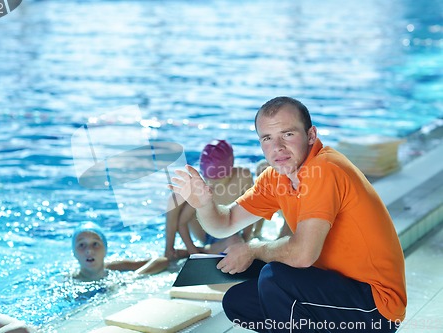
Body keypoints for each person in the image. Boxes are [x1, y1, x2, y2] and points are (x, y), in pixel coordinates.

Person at [169, 97, 406, 332]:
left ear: (311, 135)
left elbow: (302, 256)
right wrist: (204, 204)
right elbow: (225, 223)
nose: (277, 147)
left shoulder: (323, 169)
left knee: (275, 277)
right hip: (338, 294)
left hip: (377, 307)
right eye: (267, 138)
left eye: (288, 134)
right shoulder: (276, 178)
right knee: (239, 302)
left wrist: (253, 249)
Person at [164, 140, 258, 260]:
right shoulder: (203, 189)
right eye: (208, 178)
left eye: (217, 180)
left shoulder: (242, 177)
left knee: (237, 240)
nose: (212, 183)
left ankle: (192, 252)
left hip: (231, 230)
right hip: (208, 233)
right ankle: (170, 250)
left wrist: (246, 239)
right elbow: (182, 222)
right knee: (175, 198)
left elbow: (253, 208)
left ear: (229, 171)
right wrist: (193, 252)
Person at [71, 222, 168, 282]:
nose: (89, 251)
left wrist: (134, 276)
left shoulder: (115, 267)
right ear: (74, 252)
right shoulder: (70, 281)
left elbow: (162, 260)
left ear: (105, 249)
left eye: (95, 244)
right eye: (81, 245)